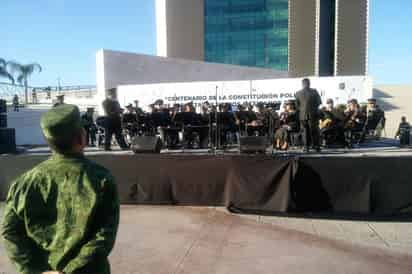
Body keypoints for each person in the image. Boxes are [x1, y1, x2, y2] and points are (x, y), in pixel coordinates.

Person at [2, 104, 120, 274]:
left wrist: (34, 270)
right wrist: (70, 270)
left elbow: (10, 232)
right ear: (81, 137)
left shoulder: (24, 183)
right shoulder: (101, 179)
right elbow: (104, 235)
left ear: (48, 141)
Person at [295, 78, 322, 152]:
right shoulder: (314, 91)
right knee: (314, 131)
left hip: (303, 115)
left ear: (302, 84)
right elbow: (319, 102)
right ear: (309, 83)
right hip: (313, 114)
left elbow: (297, 106)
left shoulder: (297, 93)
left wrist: (302, 109)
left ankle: (306, 147)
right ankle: (316, 146)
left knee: (304, 132)